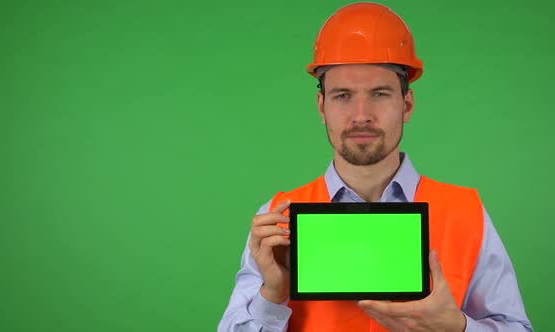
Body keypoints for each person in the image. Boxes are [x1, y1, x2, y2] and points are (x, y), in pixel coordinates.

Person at [218, 2, 533, 331]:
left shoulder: (466, 214)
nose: (361, 115)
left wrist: (457, 327)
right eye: (343, 96)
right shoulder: (279, 220)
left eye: (380, 93)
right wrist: (272, 294)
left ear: (407, 104)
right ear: (322, 106)